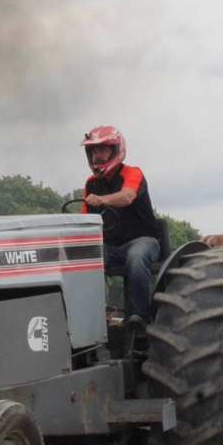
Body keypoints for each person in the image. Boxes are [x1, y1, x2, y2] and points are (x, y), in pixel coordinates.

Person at [81, 125, 161, 326]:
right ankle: (94, 318)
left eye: (103, 150)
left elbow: (127, 197)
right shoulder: (91, 183)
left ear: (116, 151)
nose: (97, 156)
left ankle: (140, 318)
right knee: (84, 256)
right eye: (94, 151)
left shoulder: (132, 173)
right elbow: (84, 221)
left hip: (142, 240)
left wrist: (102, 200)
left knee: (136, 257)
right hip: (110, 246)